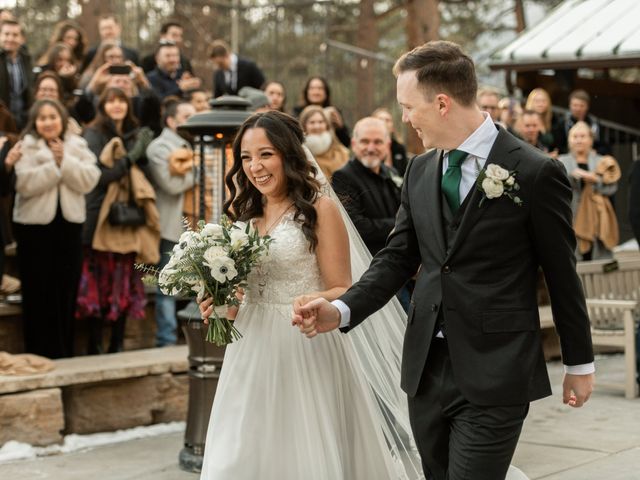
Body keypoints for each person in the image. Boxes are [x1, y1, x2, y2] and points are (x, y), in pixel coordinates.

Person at [294, 40, 595, 480]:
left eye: (408, 106)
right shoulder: (418, 170)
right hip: (425, 370)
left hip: (497, 368)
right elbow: (397, 258)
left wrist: (579, 362)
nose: (404, 118)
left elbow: (563, 273)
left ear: (441, 103)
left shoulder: (534, 171)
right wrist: (340, 310)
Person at [197, 110, 421, 479]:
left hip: (305, 342)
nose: (255, 166)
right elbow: (241, 296)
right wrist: (221, 304)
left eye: (266, 154)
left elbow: (342, 287)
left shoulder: (320, 209)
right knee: (238, 453)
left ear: (289, 154)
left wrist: (313, 300)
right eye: (246, 157)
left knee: (302, 453)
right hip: (251, 348)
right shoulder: (244, 214)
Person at [13, 99, 100, 358]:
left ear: (61, 119)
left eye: (53, 117)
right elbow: (24, 183)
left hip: (69, 228)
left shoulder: (77, 145)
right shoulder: (25, 146)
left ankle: (63, 350)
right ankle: (37, 351)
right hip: (33, 230)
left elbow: (90, 179)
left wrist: (65, 161)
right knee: (38, 291)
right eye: (42, 118)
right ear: (35, 122)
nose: (48, 122)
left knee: (65, 290)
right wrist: (55, 165)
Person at [78, 87, 156, 354]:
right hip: (99, 215)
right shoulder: (94, 133)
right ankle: (95, 342)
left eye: (121, 101)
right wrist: (130, 157)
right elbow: (99, 176)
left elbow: (145, 174)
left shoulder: (135, 132)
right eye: (111, 101)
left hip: (129, 218)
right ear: (103, 105)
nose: (117, 106)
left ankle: (118, 341)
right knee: (98, 282)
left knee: (125, 280)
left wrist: (141, 153)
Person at [146, 99, 197, 346]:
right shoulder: (159, 148)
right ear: (171, 120)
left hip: (194, 224)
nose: (193, 119)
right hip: (170, 226)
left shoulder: (189, 144)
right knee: (165, 285)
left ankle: (194, 335)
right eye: (187, 115)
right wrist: (197, 170)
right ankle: (165, 340)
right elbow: (172, 184)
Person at [558, 121, 620, 261]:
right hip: (571, 215)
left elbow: (612, 188)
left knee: (599, 256)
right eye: (575, 136)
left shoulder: (601, 161)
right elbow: (555, 188)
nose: (579, 140)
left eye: (583, 136)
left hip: (598, 215)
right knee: (574, 255)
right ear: (569, 140)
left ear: (591, 140)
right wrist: (571, 177)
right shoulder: (562, 161)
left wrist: (595, 180)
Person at [293, 76, 350, 148]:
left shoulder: (333, 112)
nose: (316, 92)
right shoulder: (298, 112)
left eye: (320, 88)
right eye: (312, 88)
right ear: (307, 92)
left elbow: (346, 143)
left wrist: (340, 127)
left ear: (326, 92)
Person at [299, 105, 348, 180]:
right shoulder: (299, 154)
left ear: (326, 125)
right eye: (312, 122)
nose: (317, 126)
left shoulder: (341, 152)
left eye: (321, 122)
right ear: (304, 126)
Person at [0, 20, 33, 129]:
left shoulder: (27, 59)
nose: (10, 38)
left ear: (22, 39)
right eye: (6, 34)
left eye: (15, 35)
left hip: (23, 120)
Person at [553, 89, 607, 155]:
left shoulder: (594, 123)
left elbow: (603, 146)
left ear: (587, 106)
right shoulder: (562, 123)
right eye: (575, 105)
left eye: (581, 105)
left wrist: (596, 152)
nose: (578, 109)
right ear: (570, 105)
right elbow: (558, 146)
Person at [373, 106, 409, 176]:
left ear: (392, 128)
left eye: (387, 120)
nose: (384, 122)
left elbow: (405, 174)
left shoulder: (399, 148)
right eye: (380, 119)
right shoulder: (369, 147)